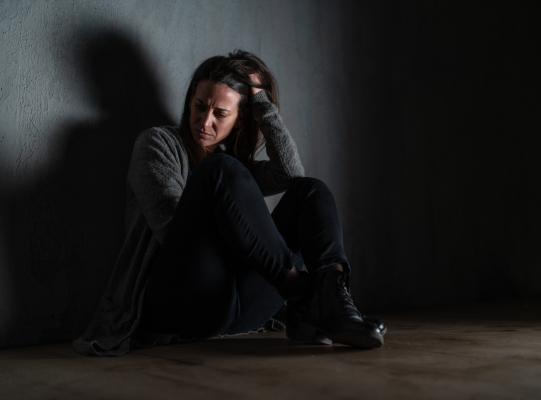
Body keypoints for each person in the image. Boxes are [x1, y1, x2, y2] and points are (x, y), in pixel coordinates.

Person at [73, 50, 385, 356]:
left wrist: (261, 103)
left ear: (239, 120)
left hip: (237, 308)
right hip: (180, 303)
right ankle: (305, 295)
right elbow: (172, 232)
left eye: (220, 114)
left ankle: (332, 300)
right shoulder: (157, 144)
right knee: (219, 170)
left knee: (311, 191)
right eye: (199, 106)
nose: (204, 122)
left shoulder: (233, 165)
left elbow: (290, 175)